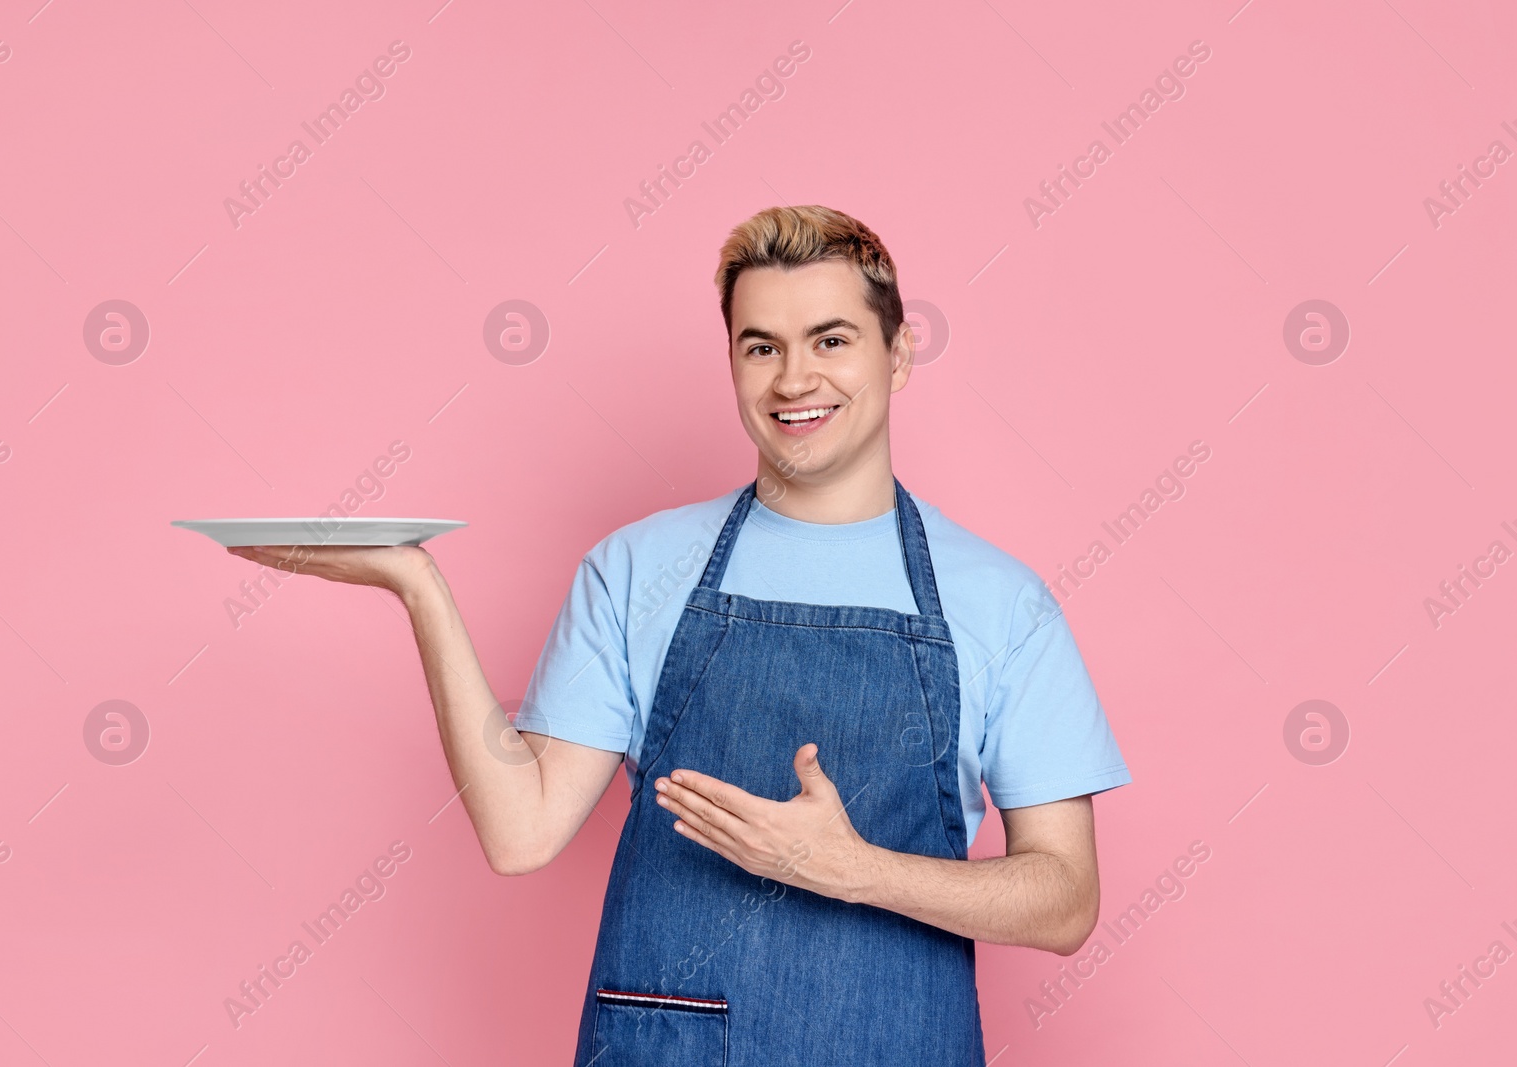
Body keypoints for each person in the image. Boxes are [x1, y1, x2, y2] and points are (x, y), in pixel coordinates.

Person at [228, 205, 1131, 1065]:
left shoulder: (1002, 603)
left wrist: (852, 869)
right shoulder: (636, 569)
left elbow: (1065, 898)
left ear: (899, 353)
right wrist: (416, 584)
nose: (793, 378)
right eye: (760, 346)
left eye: (831, 340)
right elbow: (521, 831)